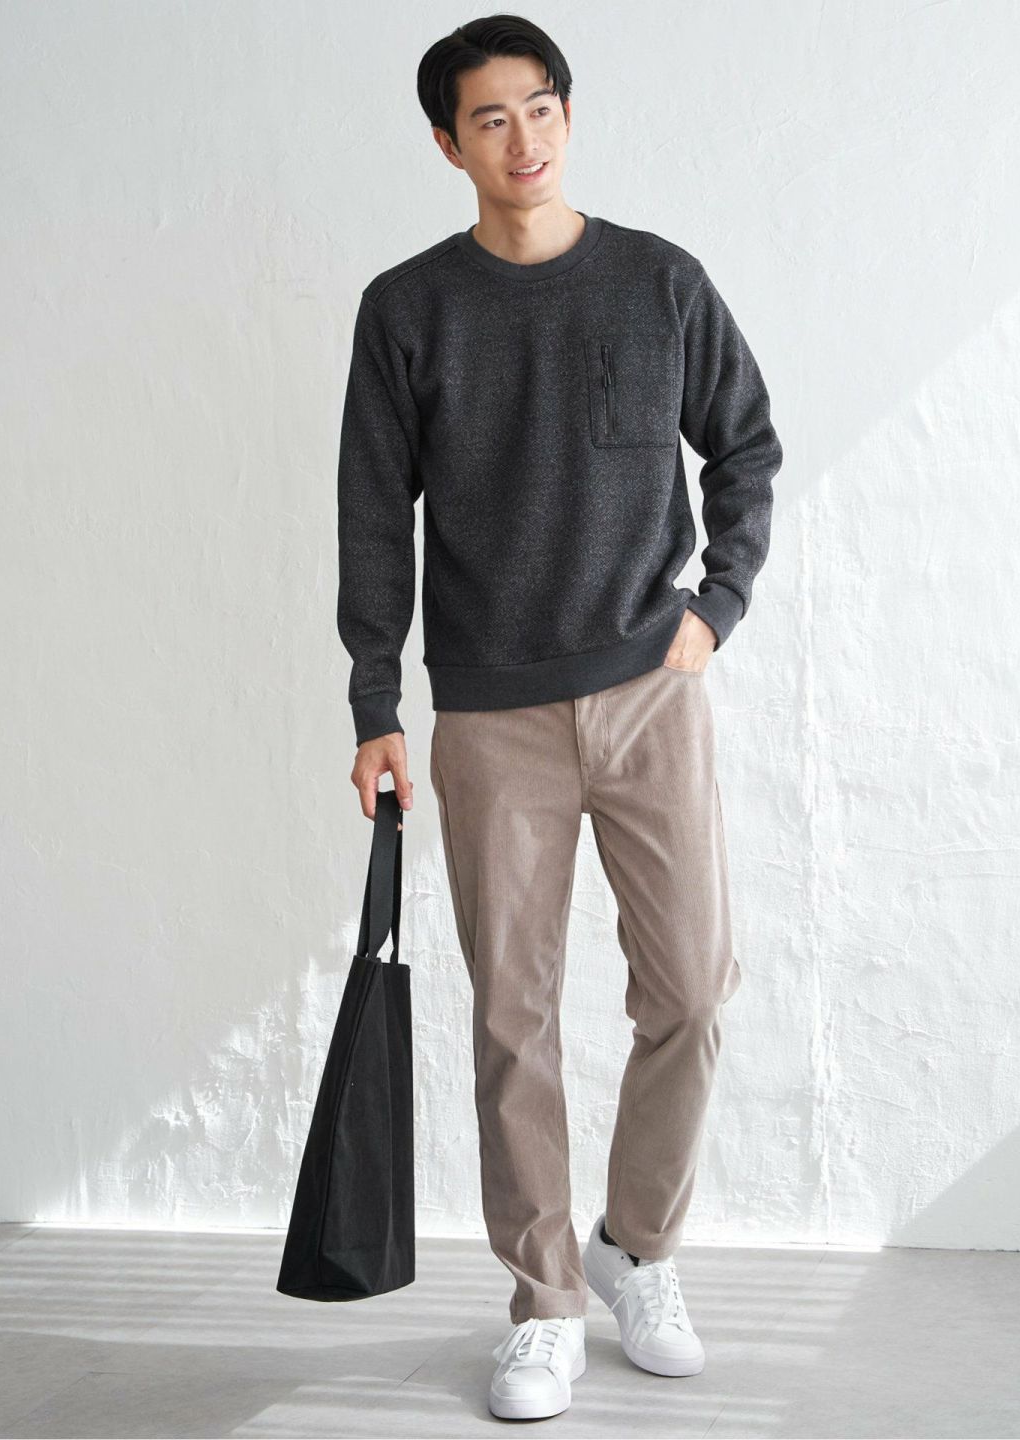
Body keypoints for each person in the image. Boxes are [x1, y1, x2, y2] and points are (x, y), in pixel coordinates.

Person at [337, 13, 783, 1422]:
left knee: (693, 988)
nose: (522, 139)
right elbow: (372, 517)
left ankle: (634, 1248)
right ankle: (543, 1303)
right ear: (447, 144)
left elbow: (748, 446)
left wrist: (716, 606)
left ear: (569, 115)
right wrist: (374, 698)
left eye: (540, 108)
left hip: (652, 690)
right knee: (513, 1018)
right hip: (491, 716)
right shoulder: (409, 310)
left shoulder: (660, 282)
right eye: (490, 118)